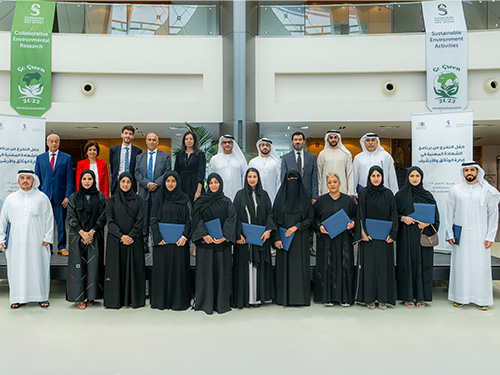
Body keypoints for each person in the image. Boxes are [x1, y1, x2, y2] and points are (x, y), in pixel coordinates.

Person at [446, 161, 500, 311]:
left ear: (477, 172)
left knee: (480, 267)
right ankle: (460, 298)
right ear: (463, 172)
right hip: (461, 237)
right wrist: (449, 233)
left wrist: (490, 236)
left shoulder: (487, 191)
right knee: (461, 266)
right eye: (466, 170)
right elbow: (450, 214)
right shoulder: (456, 190)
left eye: (472, 170)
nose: (469, 173)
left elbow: (493, 215)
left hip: (480, 236)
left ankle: (482, 300)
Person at [0, 170, 53, 309]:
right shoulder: (11, 198)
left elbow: (49, 219)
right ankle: (18, 298)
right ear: (18, 180)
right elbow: (3, 220)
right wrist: (1, 238)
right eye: (22, 178)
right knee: (17, 269)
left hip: (38, 242)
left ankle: (42, 297)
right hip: (16, 242)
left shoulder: (42, 198)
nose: (25, 181)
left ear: (33, 180)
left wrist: (48, 236)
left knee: (39, 268)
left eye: (28, 178)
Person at [191, 173, 237, 314]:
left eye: (216, 182)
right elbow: (196, 219)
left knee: (221, 273)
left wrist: (225, 236)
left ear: (220, 184)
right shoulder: (201, 201)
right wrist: (204, 235)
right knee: (205, 273)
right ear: (207, 185)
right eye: (211, 183)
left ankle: (221, 303)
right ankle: (205, 302)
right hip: (205, 245)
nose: (213, 185)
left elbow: (232, 218)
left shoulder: (227, 201)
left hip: (221, 244)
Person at [395, 166, 440, 307]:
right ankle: (407, 297)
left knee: (422, 265)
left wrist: (427, 224)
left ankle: (421, 297)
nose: (414, 178)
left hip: (422, 236)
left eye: (417, 176)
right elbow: (392, 215)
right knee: (406, 265)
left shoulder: (428, 195)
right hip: (406, 236)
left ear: (421, 178)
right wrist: (403, 219)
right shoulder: (400, 196)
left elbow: (436, 217)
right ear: (408, 177)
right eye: (412, 176)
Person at [355, 166, 398, 310]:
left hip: (384, 239)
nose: (375, 178)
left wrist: (392, 234)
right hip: (369, 238)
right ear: (369, 177)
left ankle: (383, 298)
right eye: (373, 175)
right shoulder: (363, 193)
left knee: (384, 268)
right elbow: (360, 213)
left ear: (382, 177)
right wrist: (363, 233)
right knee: (369, 268)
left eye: (378, 175)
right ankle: (369, 298)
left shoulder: (388, 194)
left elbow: (393, 214)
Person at [232, 168, 276, 308]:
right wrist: (238, 234)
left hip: (260, 238)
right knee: (245, 267)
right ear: (246, 178)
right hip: (244, 239)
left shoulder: (264, 195)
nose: (252, 179)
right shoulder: (239, 195)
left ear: (258, 179)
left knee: (259, 267)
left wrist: (269, 229)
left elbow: (270, 213)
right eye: (249, 176)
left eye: (254, 176)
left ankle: (257, 298)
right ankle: (246, 298)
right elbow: (235, 216)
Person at [150, 171, 192, 310]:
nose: (170, 184)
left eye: (173, 181)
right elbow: (153, 218)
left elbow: (189, 220)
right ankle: (161, 302)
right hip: (162, 243)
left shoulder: (185, 199)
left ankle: (178, 302)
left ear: (178, 182)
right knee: (161, 271)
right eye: (168, 181)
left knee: (178, 271)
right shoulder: (159, 197)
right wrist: (158, 238)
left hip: (179, 243)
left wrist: (185, 237)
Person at [313, 172, 356, 307]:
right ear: (326, 185)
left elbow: (355, 216)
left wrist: (353, 223)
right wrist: (319, 227)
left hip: (343, 240)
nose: (332, 184)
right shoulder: (321, 201)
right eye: (330, 182)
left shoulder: (348, 200)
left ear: (340, 183)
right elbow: (314, 218)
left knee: (344, 266)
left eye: (335, 182)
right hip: (326, 240)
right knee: (327, 266)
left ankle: (344, 298)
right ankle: (328, 297)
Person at [66, 170, 107, 310]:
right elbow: (71, 217)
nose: (87, 181)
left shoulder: (101, 197)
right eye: (84, 178)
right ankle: (79, 297)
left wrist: (92, 231)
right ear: (80, 180)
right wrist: (82, 233)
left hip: (95, 236)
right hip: (77, 237)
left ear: (93, 180)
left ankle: (91, 296)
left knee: (94, 265)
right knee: (78, 267)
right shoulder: (74, 197)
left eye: (90, 178)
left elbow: (103, 216)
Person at [104, 172, 145, 309]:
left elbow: (140, 221)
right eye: (123, 182)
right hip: (116, 242)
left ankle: (133, 299)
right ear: (119, 183)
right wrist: (122, 236)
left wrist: (130, 236)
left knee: (133, 269)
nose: (126, 184)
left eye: (128, 182)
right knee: (117, 271)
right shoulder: (112, 200)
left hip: (134, 242)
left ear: (132, 183)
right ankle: (116, 300)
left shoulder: (138, 200)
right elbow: (109, 222)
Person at [273, 170, 314, 307]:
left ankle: (300, 298)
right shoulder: (279, 200)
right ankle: (284, 298)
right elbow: (273, 220)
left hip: (300, 240)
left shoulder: (305, 199)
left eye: (295, 179)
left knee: (299, 269)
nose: (292, 182)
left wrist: (297, 227)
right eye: (289, 179)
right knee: (284, 268)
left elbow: (310, 218)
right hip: (283, 241)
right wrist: (277, 238)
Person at [35, 133, 74, 256]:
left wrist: (67, 196)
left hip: (60, 196)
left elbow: (69, 179)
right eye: (51, 141)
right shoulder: (40, 158)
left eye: (56, 141)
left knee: (61, 223)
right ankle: (49, 246)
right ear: (47, 143)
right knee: (46, 222)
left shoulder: (66, 158)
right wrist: (38, 196)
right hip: (44, 196)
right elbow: (37, 179)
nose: (54, 143)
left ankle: (61, 247)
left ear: (59, 143)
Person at [134, 132, 171, 252]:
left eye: (154, 140)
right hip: (143, 192)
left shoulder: (165, 156)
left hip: (158, 192)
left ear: (157, 142)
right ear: (146, 141)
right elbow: (136, 174)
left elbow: (167, 172)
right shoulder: (139, 157)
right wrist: (147, 184)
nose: (151, 142)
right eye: (149, 139)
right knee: (143, 220)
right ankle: (144, 244)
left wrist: (156, 183)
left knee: (158, 218)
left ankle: (158, 241)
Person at [280, 131, 318, 203]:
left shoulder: (312, 157)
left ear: (303, 142)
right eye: (296, 140)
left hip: (307, 194)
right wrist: (284, 195)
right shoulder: (286, 158)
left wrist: (314, 196)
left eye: (300, 140)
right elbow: (283, 178)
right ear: (292, 142)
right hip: (291, 195)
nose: (298, 142)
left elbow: (314, 178)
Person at [207, 135, 247, 201]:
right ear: (221, 144)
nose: (227, 144)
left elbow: (244, 177)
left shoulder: (240, 160)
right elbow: (210, 177)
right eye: (224, 142)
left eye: (229, 142)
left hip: (237, 196)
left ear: (233, 144)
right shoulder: (215, 159)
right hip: (219, 197)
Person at [317, 130, 354, 196]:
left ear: (338, 139)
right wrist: (319, 192)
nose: (333, 139)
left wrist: (350, 192)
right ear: (327, 139)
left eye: (335, 137)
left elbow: (350, 174)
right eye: (331, 138)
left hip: (342, 189)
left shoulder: (345, 154)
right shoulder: (322, 154)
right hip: (326, 190)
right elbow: (319, 174)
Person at [174, 130, 206, 202]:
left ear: (194, 141)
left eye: (191, 139)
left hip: (194, 185)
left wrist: (198, 191)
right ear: (184, 141)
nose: (188, 141)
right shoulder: (179, 155)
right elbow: (176, 172)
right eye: (186, 139)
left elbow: (201, 174)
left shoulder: (200, 154)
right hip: (182, 185)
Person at [109, 125, 142, 195]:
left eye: (130, 134)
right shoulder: (113, 150)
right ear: (122, 135)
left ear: (133, 136)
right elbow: (112, 168)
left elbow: (137, 168)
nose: (128, 136)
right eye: (126, 133)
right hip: (117, 183)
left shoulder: (138, 151)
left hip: (131, 183)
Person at [248, 138, 281, 203]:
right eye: (263, 145)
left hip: (271, 196)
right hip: (254, 196)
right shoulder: (253, 162)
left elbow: (278, 182)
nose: (265, 147)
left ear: (270, 147)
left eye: (267, 145)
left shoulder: (276, 163)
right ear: (259, 147)